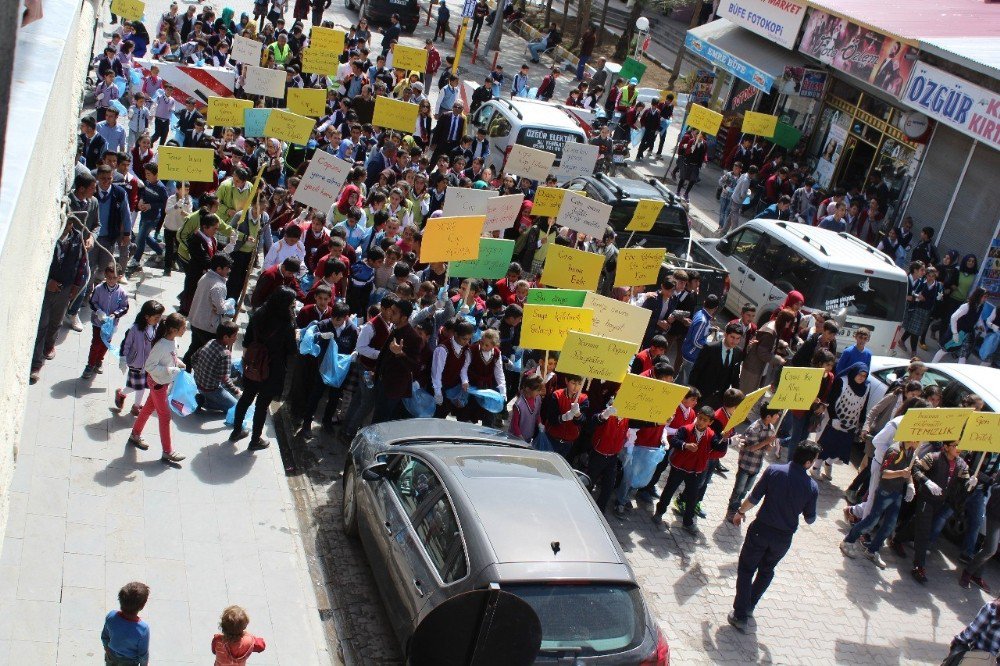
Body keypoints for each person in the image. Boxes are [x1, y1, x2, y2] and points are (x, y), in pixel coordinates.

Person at [728, 441, 820, 633]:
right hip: (783, 538)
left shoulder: (774, 471)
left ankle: (740, 614)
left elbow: (754, 498)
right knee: (767, 570)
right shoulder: (812, 486)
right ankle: (750, 605)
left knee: (746, 569)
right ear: (808, 463)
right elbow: (810, 519)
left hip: (761, 529)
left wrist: (740, 512)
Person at [230, 287, 298, 450]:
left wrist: (247, 361)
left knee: (246, 398)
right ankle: (255, 440)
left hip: (254, 364)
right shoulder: (287, 323)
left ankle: (236, 431)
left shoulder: (259, 313)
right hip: (272, 370)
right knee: (262, 405)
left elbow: (246, 341)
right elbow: (291, 351)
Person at [30, 205, 89, 383]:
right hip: (47, 289)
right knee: (43, 323)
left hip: (66, 288)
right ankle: (36, 363)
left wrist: (76, 285)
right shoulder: (49, 237)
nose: (67, 226)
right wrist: (47, 281)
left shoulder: (77, 238)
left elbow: (81, 263)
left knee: (56, 320)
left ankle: (49, 346)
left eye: (70, 224)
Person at [904, 441, 971, 583]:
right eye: (955, 445)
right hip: (926, 499)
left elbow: (964, 485)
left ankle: (897, 539)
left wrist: (970, 484)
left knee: (919, 522)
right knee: (924, 531)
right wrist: (927, 481)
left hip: (940, 502)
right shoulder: (932, 457)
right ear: (946, 447)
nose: (959, 449)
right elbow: (915, 470)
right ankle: (919, 566)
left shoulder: (961, 465)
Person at [128, 312, 188, 465]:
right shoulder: (161, 345)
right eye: (183, 327)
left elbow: (170, 358)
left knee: (148, 408)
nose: (185, 330)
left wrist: (178, 363)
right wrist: (170, 370)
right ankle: (168, 451)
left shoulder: (172, 341)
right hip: (158, 384)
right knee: (165, 416)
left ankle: (135, 434)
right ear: (174, 329)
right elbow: (149, 366)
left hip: (162, 382)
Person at [652, 406, 717, 534]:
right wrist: (685, 445)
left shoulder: (712, 435)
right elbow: (675, 441)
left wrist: (728, 440)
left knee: (692, 498)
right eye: (700, 418)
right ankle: (659, 512)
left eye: (705, 420)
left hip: (696, 471)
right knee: (669, 490)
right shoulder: (685, 429)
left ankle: (688, 522)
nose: (701, 422)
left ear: (710, 423)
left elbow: (718, 446)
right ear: (697, 416)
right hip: (679, 468)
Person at [813, 363, 870, 481]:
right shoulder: (842, 381)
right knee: (826, 445)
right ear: (854, 372)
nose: (861, 378)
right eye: (860, 374)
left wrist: (861, 423)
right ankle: (815, 468)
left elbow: (864, 406)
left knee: (842, 449)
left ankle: (828, 463)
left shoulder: (866, 387)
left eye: (864, 376)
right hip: (836, 420)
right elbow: (832, 400)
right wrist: (834, 418)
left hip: (851, 424)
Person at [371, 299, 424, 424]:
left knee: (381, 423)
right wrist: (376, 372)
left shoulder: (414, 338)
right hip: (382, 382)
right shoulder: (395, 329)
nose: (389, 314)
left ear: (404, 318)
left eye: (394, 312)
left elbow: (415, 367)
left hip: (393, 389)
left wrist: (400, 354)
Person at [726, 405, 780, 520]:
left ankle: (738, 508)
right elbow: (751, 448)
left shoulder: (771, 428)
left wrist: (770, 445)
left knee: (746, 489)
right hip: (746, 464)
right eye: (776, 414)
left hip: (756, 465)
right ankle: (731, 510)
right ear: (768, 416)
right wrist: (766, 442)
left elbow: (768, 449)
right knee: (738, 489)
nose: (778, 416)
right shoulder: (754, 428)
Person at [115, 300, 165, 417]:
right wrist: (123, 359)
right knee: (140, 387)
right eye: (156, 317)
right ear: (147, 316)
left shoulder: (156, 328)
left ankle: (123, 395)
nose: (158, 319)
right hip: (136, 363)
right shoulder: (134, 329)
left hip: (149, 364)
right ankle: (135, 406)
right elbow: (125, 344)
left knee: (139, 386)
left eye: (159, 317)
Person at [83, 264, 130, 380]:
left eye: (114, 277)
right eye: (109, 277)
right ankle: (90, 364)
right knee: (96, 343)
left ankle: (99, 361)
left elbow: (125, 307)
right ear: (105, 276)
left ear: (119, 277)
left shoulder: (122, 293)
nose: (111, 280)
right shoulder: (98, 288)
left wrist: (115, 314)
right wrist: (98, 311)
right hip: (98, 323)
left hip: (111, 325)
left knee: (105, 344)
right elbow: (92, 302)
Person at [185, 253, 232, 366]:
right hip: (207, 326)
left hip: (196, 320)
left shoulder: (205, 276)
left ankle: (184, 371)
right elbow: (220, 309)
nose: (228, 271)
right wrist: (229, 305)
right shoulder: (219, 286)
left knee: (194, 349)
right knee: (209, 356)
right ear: (218, 268)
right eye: (226, 269)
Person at [688, 322, 743, 409]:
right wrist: (692, 393)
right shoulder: (710, 348)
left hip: (720, 399)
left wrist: (737, 398)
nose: (734, 341)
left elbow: (735, 376)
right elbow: (696, 371)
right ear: (725, 334)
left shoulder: (738, 352)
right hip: (702, 395)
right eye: (732, 337)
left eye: (738, 338)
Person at [192, 320, 242, 414]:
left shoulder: (211, 342)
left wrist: (200, 371)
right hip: (211, 390)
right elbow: (224, 379)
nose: (236, 338)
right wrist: (236, 391)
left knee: (234, 363)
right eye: (235, 335)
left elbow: (193, 358)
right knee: (235, 407)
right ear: (226, 337)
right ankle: (203, 401)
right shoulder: (225, 354)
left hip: (199, 382)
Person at [541, 374, 589, 460]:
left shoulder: (583, 399)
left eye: (579, 384)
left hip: (569, 441)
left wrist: (577, 414)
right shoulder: (557, 395)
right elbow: (551, 418)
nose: (576, 387)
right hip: (552, 438)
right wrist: (564, 417)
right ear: (566, 381)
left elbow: (583, 422)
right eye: (573, 383)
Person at [102, 581, 151, 666]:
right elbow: (143, 655)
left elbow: (104, 637)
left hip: (111, 656)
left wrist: (107, 649)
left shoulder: (111, 616)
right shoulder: (143, 629)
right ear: (142, 606)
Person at [508, 373, 543, 443]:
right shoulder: (519, 405)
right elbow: (515, 425)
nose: (539, 392)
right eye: (537, 390)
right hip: (515, 439)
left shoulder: (538, 399)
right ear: (528, 389)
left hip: (528, 437)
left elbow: (537, 414)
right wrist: (520, 437)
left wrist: (540, 424)